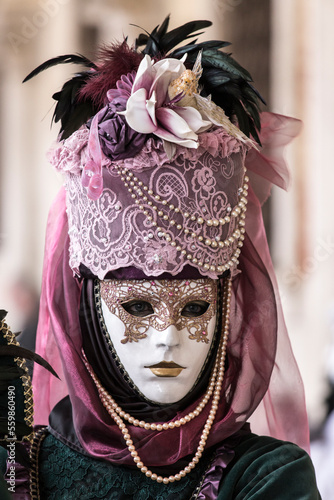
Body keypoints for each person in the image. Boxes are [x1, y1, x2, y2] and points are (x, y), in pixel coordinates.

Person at [2, 16, 321, 499]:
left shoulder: (265, 478)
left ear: (226, 305)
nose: (167, 338)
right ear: (86, 306)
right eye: (137, 305)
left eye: (194, 307)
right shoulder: (19, 472)